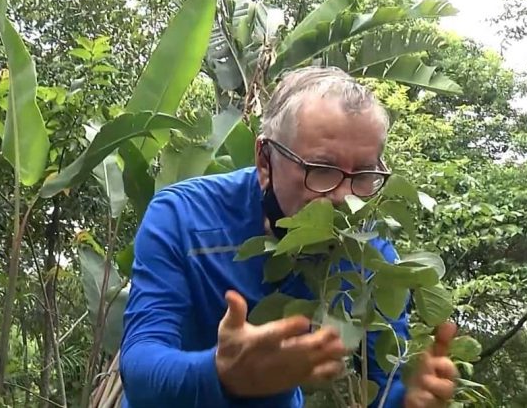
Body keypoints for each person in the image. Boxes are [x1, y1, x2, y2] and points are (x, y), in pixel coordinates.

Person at [118, 66, 459, 408]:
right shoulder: (183, 215)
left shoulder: (368, 255)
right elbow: (140, 366)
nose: (344, 197)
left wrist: (410, 398)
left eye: (365, 175)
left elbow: (383, 386)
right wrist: (220, 372)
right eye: (321, 169)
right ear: (265, 160)